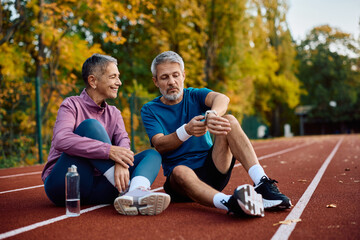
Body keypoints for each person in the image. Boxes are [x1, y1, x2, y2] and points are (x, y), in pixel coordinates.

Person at [141, 51, 291, 217]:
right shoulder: (149, 109)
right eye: (164, 77)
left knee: (230, 121)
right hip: (182, 184)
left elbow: (222, 99)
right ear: (155, 81)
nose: (171, 81)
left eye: (176, 75)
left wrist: (212, 114)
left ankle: (262, 183)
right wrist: (186, 131)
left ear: (183, 76)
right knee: (179, 171)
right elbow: (159, 144)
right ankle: (231, 203)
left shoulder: (195, 95)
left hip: (213, 168)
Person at [41, 53, 170, 216]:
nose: (119, 82)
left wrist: (121, 163)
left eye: (118, 77)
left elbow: (123, 142)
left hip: (101, 188)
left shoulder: (114, 113)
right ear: (93, 81)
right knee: (90, 127)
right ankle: (125, 189)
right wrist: (109, 151)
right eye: (113, 77)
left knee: (152, 154)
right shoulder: (71, 104)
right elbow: (61, 140)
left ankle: (136, 192)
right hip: (66, 186)